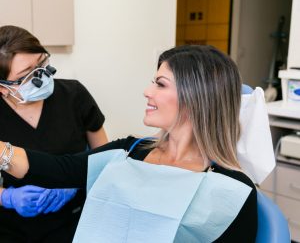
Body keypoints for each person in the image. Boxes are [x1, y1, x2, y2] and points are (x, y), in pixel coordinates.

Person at [0, 45, 257, 242]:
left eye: (160, 84)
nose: (147, 91)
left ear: (196, 97)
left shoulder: (232, 189)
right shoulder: (129, 151)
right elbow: (58, 169)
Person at [0, 25, 108, 242]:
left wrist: (75, 183)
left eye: (42, 63)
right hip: (12, 229)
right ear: (3, 87)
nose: (42, 76)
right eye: (26, 74)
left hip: (74, 222)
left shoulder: (74, 96)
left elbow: (106, 158)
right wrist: (7, 197)